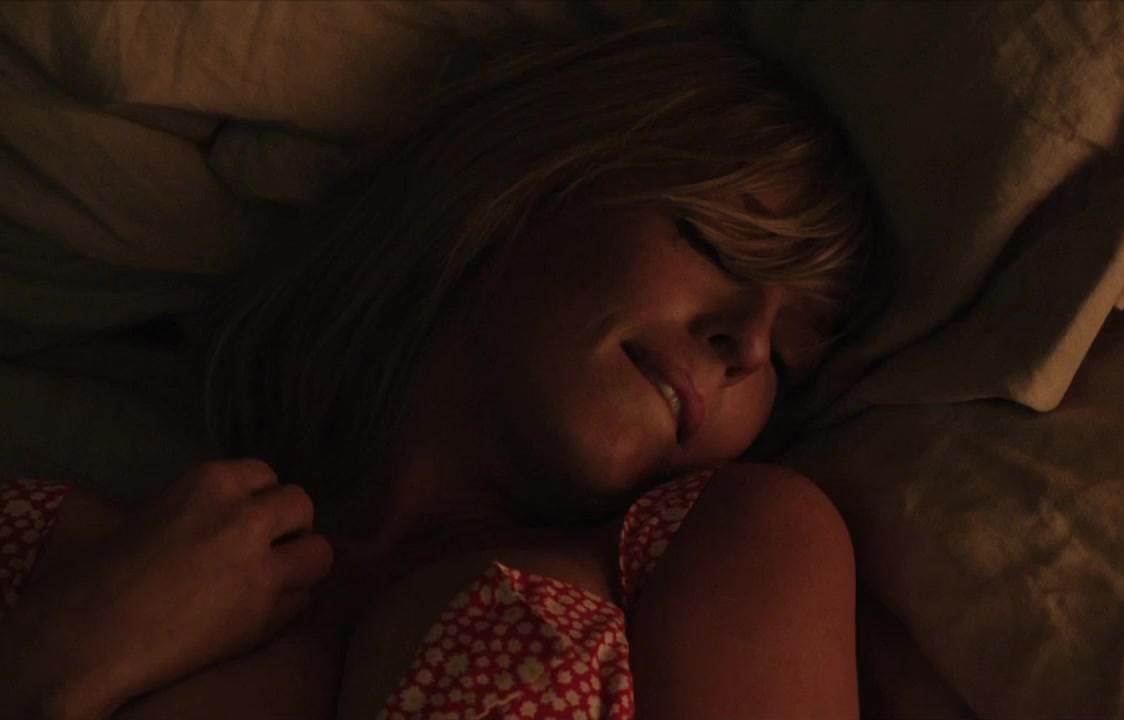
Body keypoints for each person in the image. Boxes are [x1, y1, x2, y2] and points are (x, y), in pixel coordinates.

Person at [0, 17, 886, 720]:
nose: (751, 346)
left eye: (788, 359)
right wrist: (56, 662)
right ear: (533, 180)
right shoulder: (58, 554)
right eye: (718, 245)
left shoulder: (735, 547)